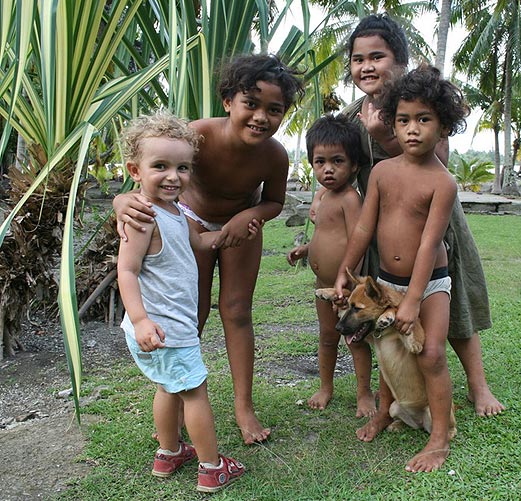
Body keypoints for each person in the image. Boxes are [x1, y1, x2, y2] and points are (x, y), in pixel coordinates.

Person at [114, 54, 305, 445]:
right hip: (189, 225)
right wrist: (121, 202)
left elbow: (274, 202)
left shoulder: (275, 156)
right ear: (228, 101)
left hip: (242, 228)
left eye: (274, 110)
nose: (261, 117)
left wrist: (248, 215)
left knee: (236, 311)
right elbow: (156, 171)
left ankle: (243, 406)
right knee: (192, 311)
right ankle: (181, 399)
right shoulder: (197, 135)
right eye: (250, 104)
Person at [343, 13, 505, 418]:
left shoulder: (419, 104)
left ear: (399, 62)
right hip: (384, 225)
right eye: (357, 59)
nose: (366, 66)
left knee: (455, 301)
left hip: (433, 221)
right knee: (386, 315)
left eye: (377, 56)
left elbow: (441, 160)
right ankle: (391, 396)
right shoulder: (352, 115)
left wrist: (384, 135)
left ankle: (477, 385)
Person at [335, 64, 469, 472]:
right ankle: (384, 410)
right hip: (387, 280)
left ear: (443, 126)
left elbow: (430, 243)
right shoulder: (381, 172)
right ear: (391, 124)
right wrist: (346, 268)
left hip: (430, 285)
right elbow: (363, 226)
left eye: (424, 120)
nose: (412, 129)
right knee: (387, 351)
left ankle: (439, 436)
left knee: (430, 355)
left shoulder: (442, 182)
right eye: (403, 120)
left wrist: (412, 300)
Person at [117, 111, 249, 491]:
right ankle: (211, 466)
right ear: (135, 170)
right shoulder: (141, 216)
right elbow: (126, 271)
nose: (173, 176)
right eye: (160, 166)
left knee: (168, 387)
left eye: (183, 167)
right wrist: (141, 320)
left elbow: (198, 243)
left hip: (165, 325)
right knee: (194, 392)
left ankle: (170, 452)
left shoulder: (174, 211)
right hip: (163, 326)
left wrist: (228, 234)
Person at [286, 114, 375, 417]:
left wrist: (350, 285)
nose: (328, 169)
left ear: (354, 166)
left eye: (337, 161)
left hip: (347, 288)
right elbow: (328, 236)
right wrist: (306, 249)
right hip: (322, 285)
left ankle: (364, 393)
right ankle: (326, 387)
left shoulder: (350, 199)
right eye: (320, 161)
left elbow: (356, 241)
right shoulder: (323, 196)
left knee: (355, 341)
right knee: (326, 336)